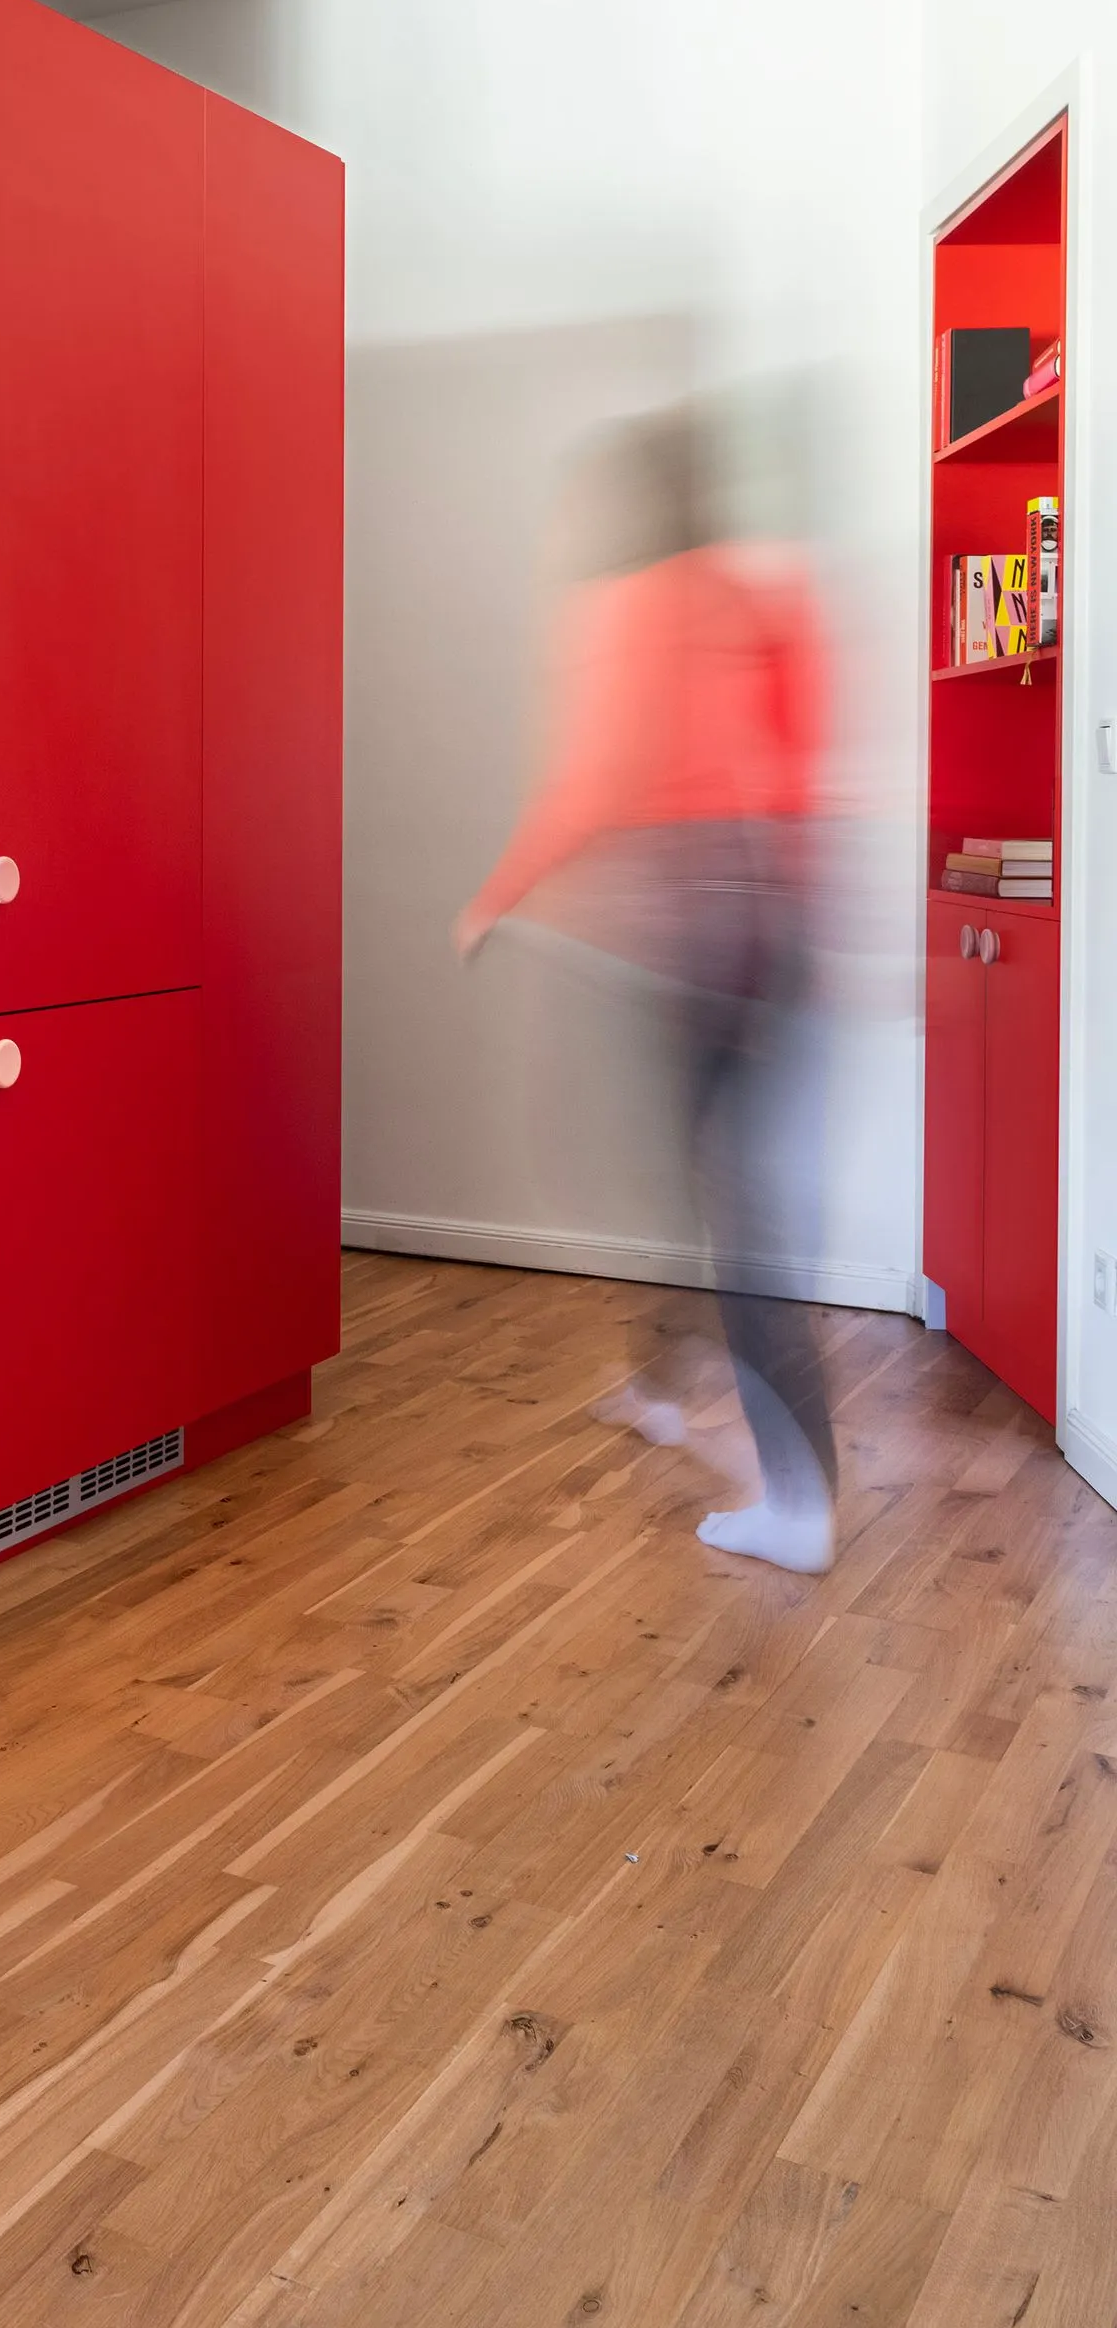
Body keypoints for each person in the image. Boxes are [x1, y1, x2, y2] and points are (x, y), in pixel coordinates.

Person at [456, 407, 838, 1574]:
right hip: (768, 913)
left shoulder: (632, 604)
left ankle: (797, 1501)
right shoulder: (759, 595)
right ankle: (663, 1387)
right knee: (701, 1173)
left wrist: (494, 896)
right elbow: (801, 757)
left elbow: (595, 780)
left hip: (699, 917)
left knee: (733, 1202)